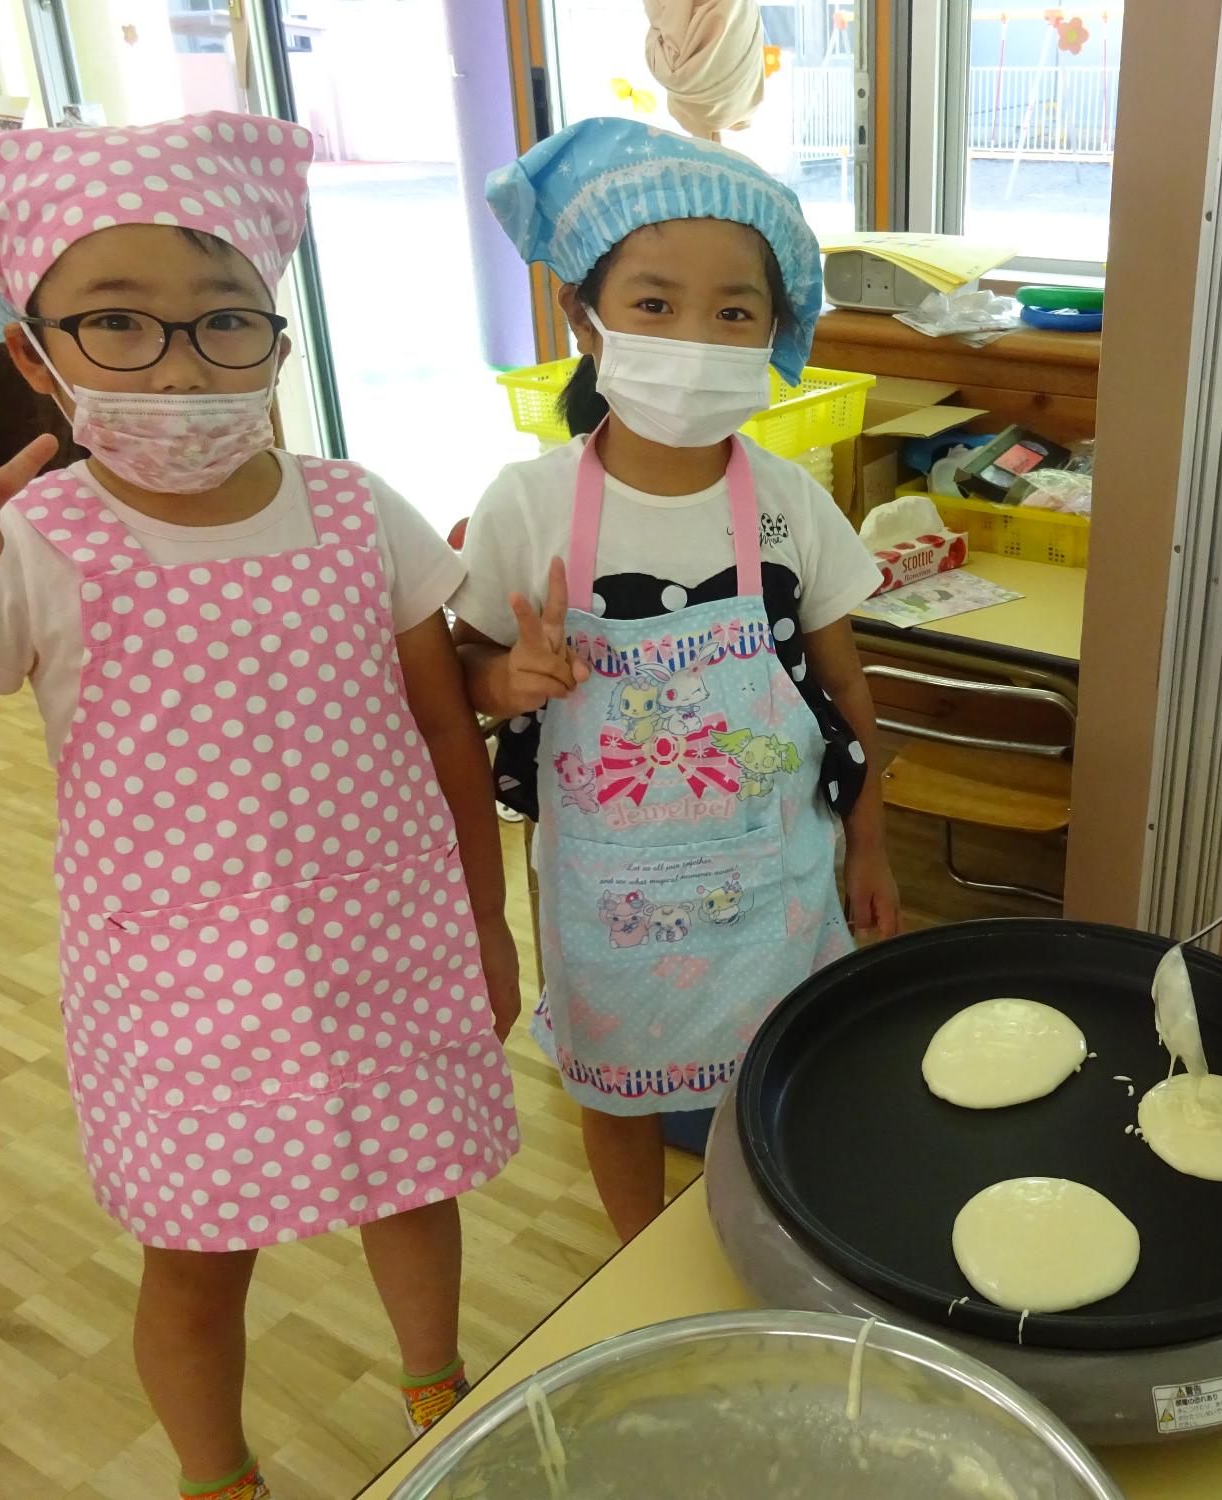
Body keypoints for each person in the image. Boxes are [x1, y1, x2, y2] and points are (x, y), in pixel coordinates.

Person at [0, 112, 523, 1500]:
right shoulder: (35, 546)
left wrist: (489, 924)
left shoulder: (358, 510)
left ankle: (436, 1392)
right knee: (196, 1259)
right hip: (176, 992)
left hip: (387, 946)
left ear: (277, 340)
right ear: (33, 356)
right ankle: (216, 1475)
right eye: (120, 324)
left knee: (417, 1191)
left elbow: (444, 732)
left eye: (225, 321)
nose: (179, 364)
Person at [455, 118, 898, 1242]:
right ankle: (636, 1252)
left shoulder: (791, 498)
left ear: (776, 328)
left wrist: (873, 846)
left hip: (779, 881)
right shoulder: (527, 502)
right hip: (609, 901)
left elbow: (845, 696)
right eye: (653, 304)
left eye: (733, 311)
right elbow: (458, 677)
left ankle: (787, 1240)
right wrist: (509, 678)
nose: (695, 337)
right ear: (582, 318)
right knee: (614, 1092)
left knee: (789, 1083)